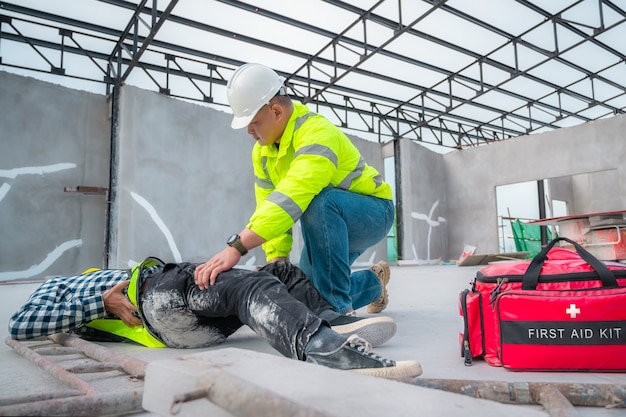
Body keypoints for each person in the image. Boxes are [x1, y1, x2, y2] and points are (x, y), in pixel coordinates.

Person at [195, 63, 395, 316]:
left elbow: (292, 196)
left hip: (372, 214)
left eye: (254, 122)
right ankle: (374, 284)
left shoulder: (317, 133)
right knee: (307, 294)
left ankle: (338, 315)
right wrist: (277, 259)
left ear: (276, 111)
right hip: (330, 222)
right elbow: (268, 202)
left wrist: (237, 247)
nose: (249, 131)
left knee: (320, 201)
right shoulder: (263, 152)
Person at [8, 258, 421, 379]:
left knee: (277, 271)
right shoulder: (60, 284)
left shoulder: (99, 278)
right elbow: (20, 325)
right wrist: (102, 303)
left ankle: (331, 321)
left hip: (182, 323)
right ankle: (325, 350)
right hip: (159, 299)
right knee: (250, 290)